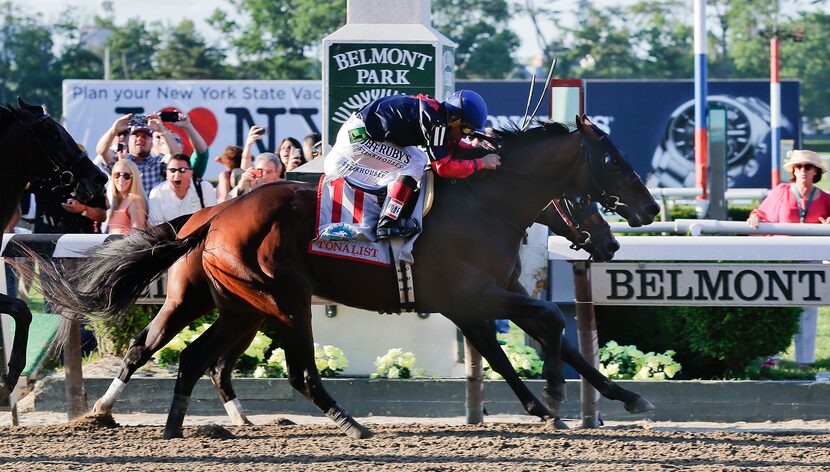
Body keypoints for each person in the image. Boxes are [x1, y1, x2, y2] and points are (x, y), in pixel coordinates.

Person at [323, 89, 501, 238]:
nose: (465, 135)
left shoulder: (438, 117)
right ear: (454, 119)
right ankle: (387, 222)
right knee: (416, 162)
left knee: (410, 164)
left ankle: (388, 214)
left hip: (361, 132)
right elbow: (443, 167)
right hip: (359, 137)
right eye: (466, 129)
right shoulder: (437, 123)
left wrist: (473, 148)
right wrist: (481, 163)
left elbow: (447, 145)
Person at [747, 149, 830, 368]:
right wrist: (754, 217)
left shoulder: (825, 198)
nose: (803, 171)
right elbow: (760, 213)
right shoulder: (780, 191)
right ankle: (771, 357)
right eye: (799, 167)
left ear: (816, 172)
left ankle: (805, 361)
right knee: (776, 306)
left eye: (808, 167)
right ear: (793, 170)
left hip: (811, 261)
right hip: (781, 258)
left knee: (808, 310)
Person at [148, 154, 217, 225]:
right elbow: (155, 225)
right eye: (172, 170)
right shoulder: (157, 192)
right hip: (168, 235)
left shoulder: (204, 188)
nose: (177, 174)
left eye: (182, 170)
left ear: (191, 172)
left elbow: (213, 218)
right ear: (166, 173)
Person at [105, 160, 148, 234]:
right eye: (117, 175)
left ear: (134, 178)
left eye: (126, 176)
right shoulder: (118, 200)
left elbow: (137, 237)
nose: (121, 179)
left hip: (126, 245)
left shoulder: (135, 202)